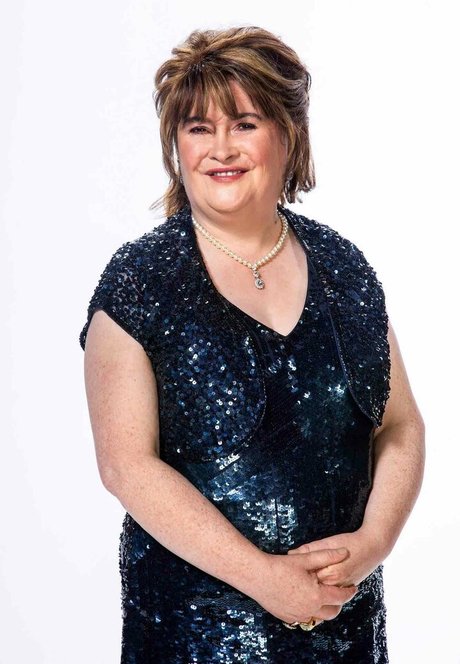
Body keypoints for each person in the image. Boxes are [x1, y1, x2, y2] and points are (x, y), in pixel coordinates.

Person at [79, 26, 425, 663]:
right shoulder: (140, 281)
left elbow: (400, 425)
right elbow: (125, 465)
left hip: (345, 630)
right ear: (176, 146)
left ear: (288, 134)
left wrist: (374, 541)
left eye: (244, 124)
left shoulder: (343, 268)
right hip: (195, 636)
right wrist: (264, 579)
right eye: (198, 128)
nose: (220, 149)